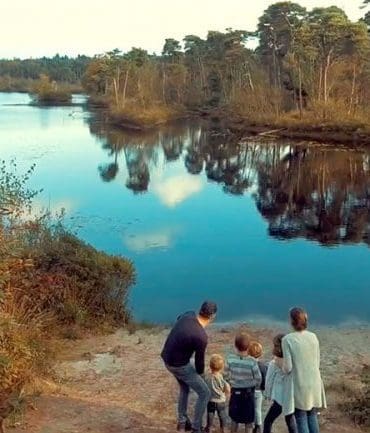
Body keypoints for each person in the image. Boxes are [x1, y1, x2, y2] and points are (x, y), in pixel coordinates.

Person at [161, 301, 217, 433]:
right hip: (179, 365)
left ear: (200, 310)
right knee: (205, 393)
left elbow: (179, 319)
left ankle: (182, 423)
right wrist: (202, 377)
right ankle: (196, 428)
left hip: (166, 358)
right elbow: (199, 363)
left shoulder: (189, 314)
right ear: (212, 317)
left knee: (184, 387)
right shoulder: (201, 336)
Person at [282, 308, 326, 433]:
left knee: (301, 418)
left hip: (300, 386)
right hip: (314, 383)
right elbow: (317, 361)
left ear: (291, 321)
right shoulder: (313, 337)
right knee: (312, 416)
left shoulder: (287, 340)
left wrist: (279, 367)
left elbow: (288, 368)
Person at [225, 332, 262, 433]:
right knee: (249, 421)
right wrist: (254, 385)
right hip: (249, 394)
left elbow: (226, 375)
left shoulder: (230, 359)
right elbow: (258, 378)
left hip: (235, 393)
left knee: (234, 419)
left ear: (235, 346)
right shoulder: (252, 361)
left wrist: (231, 382)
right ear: (249, 346)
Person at [263, 334, 297, 433]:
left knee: (268, 421)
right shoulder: (293, 362)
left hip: (279, 398)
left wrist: (267, 394)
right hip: (290, 397)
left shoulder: (274, 363)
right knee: (290, 420)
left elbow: (269, 380)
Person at [205, 354, 230, 433]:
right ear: (221, 367)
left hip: (210, 400)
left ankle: (209, 428)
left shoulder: (207, 377)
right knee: (222, 415)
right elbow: (226, 389)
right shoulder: (220, 377)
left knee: (210, 414)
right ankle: (223, 429)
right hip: (220, 401)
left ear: (210, 366)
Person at [247, 341, 268, 433]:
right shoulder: (263, 366)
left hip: (247, 390)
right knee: (258, 409)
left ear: (248, 353)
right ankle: (258, 426)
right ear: (261, 353)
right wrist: (264, 389)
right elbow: (264, 379)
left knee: (248, 408)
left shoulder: (247, 365)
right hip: (258, 391)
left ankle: (249, 424)